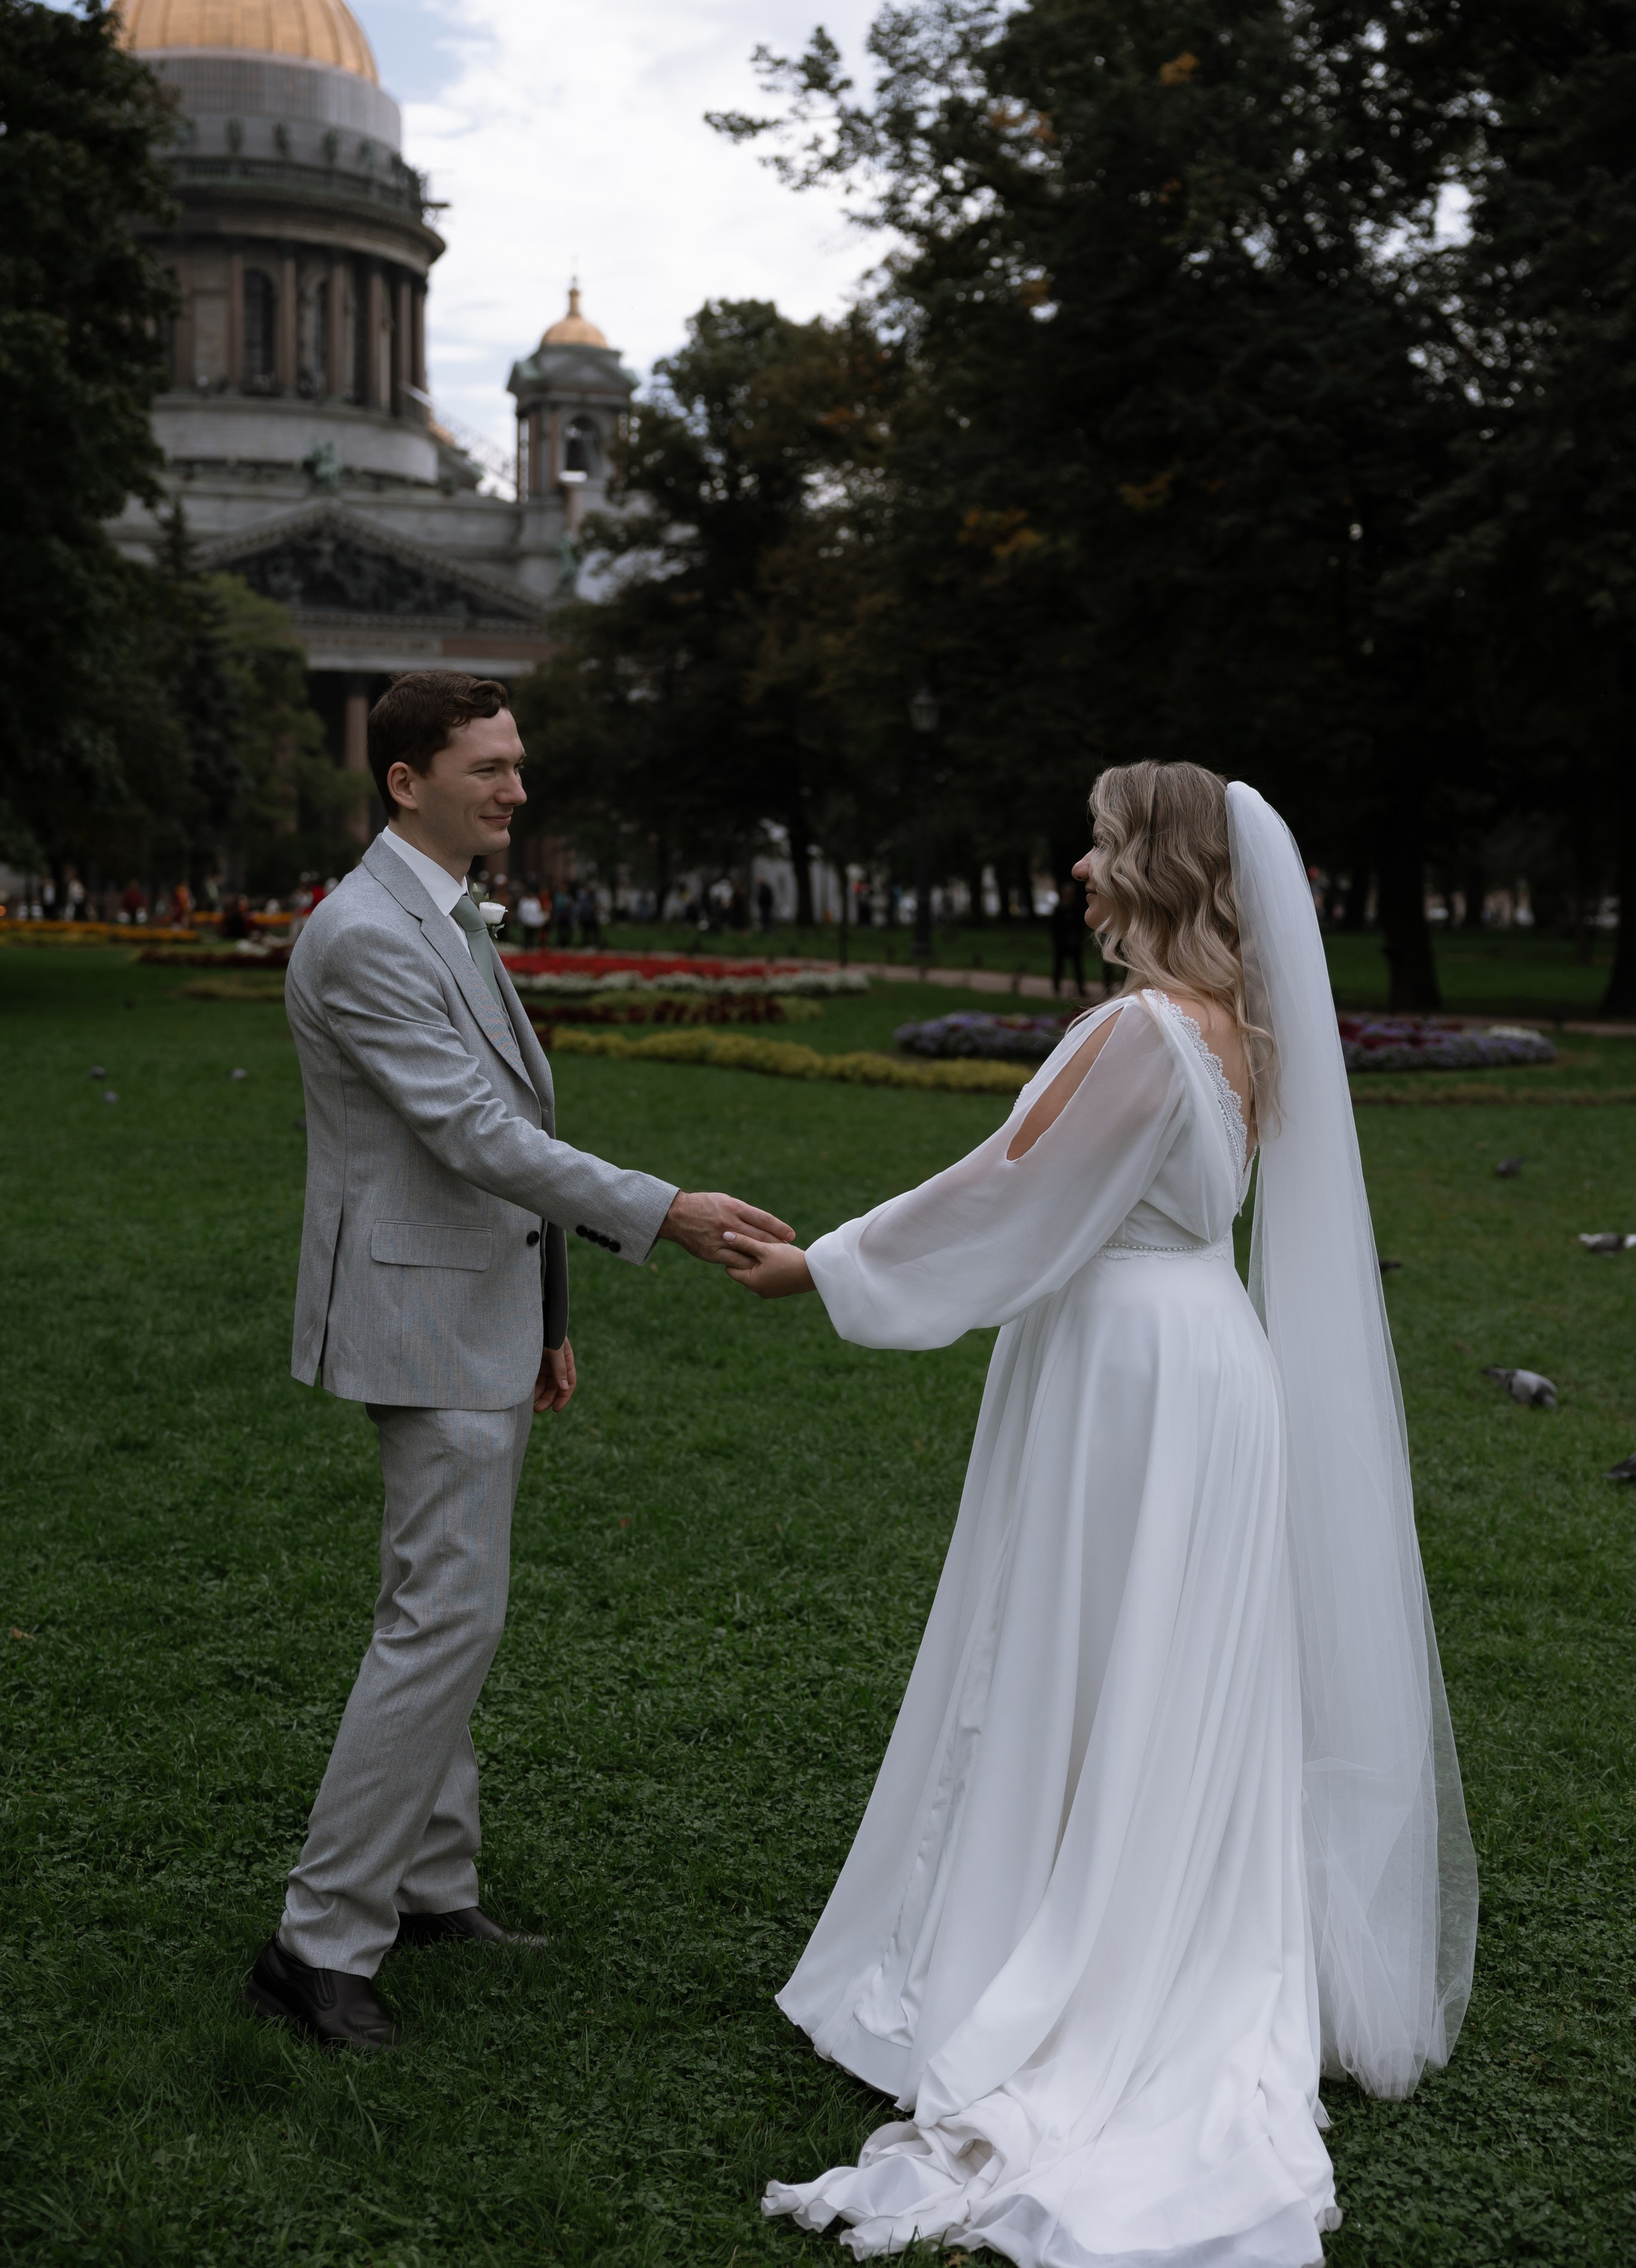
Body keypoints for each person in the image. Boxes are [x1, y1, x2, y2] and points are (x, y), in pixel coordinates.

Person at [726, 761, 1476, 2268]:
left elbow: (1005, 1192)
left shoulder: (1139, 1030)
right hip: (1194, 1359)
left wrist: (826, 1265)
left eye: (1096, 841)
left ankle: (1079, 1948)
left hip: (1131, 1377)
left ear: (1152, 865)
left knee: (1098, 1647)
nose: (1074, 866)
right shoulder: (1241, 1029)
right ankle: (1136, 1893)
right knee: (1159, 1663)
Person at [248, 671, 791, 2054]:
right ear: (404, 780)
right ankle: (317, 1943)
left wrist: (545, 1311)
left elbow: (494, 1126)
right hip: (418, 1315)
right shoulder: (369, 934)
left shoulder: (442, 906)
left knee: (441, 1604)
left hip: (473, 1303)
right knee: (443, 1617)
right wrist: (657, 1209)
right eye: (486, 766)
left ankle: (430, 1888)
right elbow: (471, 1136)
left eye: (517, 763)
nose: (514, 788)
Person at [1049, 873, 1088, 997]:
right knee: (1059, 966)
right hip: (1062, 943)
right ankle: (1056, 988)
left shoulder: (1076, 908)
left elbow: (1080, 925)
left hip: (1074, 942)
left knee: (1077, 967)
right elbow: (1055, 928)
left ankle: (1081, 988)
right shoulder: (1059, 909)